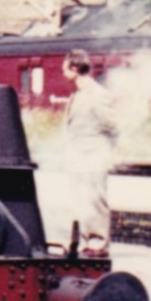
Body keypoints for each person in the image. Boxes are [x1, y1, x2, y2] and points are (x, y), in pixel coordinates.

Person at [62, 50, 119, 258]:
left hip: (94, 153)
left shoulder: (98, 94)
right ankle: (87, 240)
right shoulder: (77, 94)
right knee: (82, 199)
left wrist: (103, 150)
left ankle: (98, 243)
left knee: (95, 198)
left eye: (65, 67)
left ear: (75, 68)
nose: (62, 72)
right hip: (79, 155)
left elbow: (113, 125)